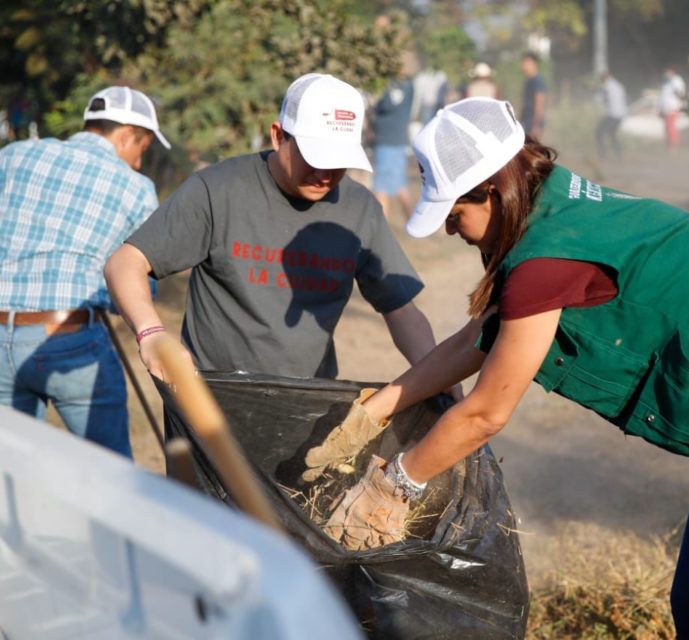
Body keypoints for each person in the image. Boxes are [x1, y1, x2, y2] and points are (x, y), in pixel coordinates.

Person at [320, 98, 689, 638]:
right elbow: (476, 339)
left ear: (492, 188)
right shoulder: (554, 206)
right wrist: (370, 415)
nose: (449, 228)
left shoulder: (547, 254)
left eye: (455, 211)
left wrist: (394, 486)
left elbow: (487, 412)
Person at [104, 74, 441, 388]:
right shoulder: (218, 190)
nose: (325, 174)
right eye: (316, 157)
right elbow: (126, 262)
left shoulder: (359, 208)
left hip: (308, 402)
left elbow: (401, 309)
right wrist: (151, 333)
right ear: (278, 136)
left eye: (338, 162)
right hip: (212, 397)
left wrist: (439, 378)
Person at [1, 86, 169, 456]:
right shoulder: (136, 187)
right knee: (112, 473)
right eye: (142, 149)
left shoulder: (13, 156)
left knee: (8, 477)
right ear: (126, 135)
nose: (140, 162)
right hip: (69, 338)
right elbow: (140, 286)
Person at [371, 62, 416, 220]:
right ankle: (413, 222)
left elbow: (383, 105)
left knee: (382, 187)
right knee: (400, 185)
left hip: (386, 142)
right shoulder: (409, 87)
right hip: (398, 141)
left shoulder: (390, 88)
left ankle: (382, 227)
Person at [595, 71, 628, 159]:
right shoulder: (618, 85)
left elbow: (598, 100)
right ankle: (619, 154)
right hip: (621, 114)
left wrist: (595, 92)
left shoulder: (606, 86)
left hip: (612, 114)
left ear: (603, 78)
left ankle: (602, 155)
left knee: (599, 133)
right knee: (612, 134)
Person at [519, 51, 547, 140]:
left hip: (532, 124)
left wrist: (536, 126)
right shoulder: (528, 80)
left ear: (533, 63)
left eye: (525, 62)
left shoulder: (537, 80)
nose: (523, 65)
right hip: (526, 122)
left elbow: (540, 102)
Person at [658, 67, 686, 149]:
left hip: (672, 108)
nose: (666, 74)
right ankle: (669, 146)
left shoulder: (676, 81)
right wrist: (660, 109)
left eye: (668, 72)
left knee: (671, 128)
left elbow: (679, 93)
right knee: (667, 128)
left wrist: (681, 104)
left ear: (672, 72)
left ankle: (673, 147)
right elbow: (662, 97)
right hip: (666, 109)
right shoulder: (666, 83)